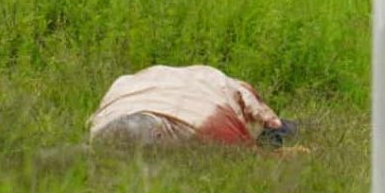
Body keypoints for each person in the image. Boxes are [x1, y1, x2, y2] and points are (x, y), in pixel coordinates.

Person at [88, 65, 296, 150]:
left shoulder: (99, 127)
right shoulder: (209, 123)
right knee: (280, 130)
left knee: (279, 131)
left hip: (192, 91)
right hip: (181, 92)